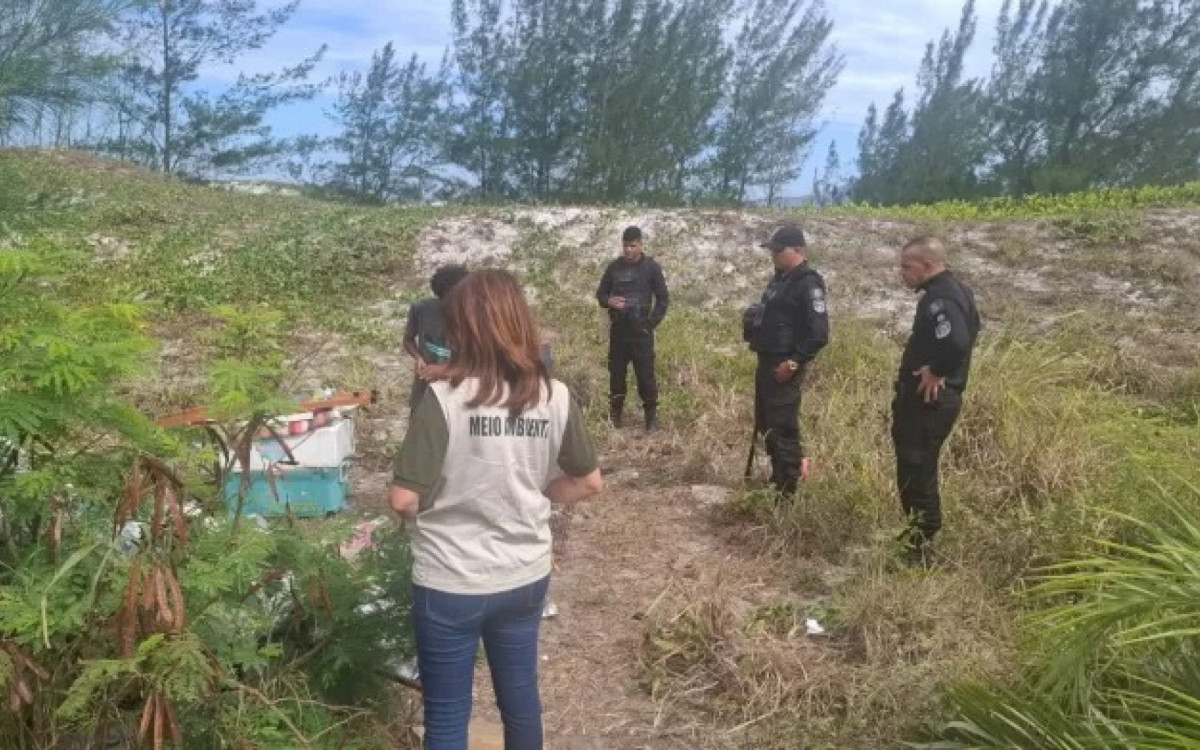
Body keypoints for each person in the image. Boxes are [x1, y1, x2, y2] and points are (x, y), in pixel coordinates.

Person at [389, 270, 604, 750]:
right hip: (525, 576)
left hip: (450, 579)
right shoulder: (555, 395)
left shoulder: (442, 401)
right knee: (521, 699)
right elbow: (588, 483)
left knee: (447, 716)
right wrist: (537, 489)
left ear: (463, 328)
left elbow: (404, 499)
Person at [892, 236, 981, 567]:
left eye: (907, 266)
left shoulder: (939, 298)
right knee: (916, 465)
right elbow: (972, 330)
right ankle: (918, 537)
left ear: (927, 265)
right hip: (932, 400)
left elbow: (957, 340)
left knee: (917, 468)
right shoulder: (957, 291)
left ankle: (922, 545)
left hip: (929, 402)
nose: (902, 273)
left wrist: (938, 370)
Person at [743, 225, 830, 497]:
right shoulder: (780, 279)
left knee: (783, 427)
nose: (774, 255)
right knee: (767, 423)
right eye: (773, 250)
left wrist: (794, 363)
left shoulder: (808, 283)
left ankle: (788, 489)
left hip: (784, 366)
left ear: (798, 251)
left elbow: (819, 333)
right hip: (767, 360)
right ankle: (778, 478)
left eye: (779, 251)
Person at [595, 226, 670, 430]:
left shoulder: (651, 268)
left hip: (641, 332)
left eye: (632, 246)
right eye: (625, 245)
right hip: (619, 331)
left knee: (646, 376)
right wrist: (609, 301)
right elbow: (600, 294)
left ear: (640, 244)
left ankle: (651, 419)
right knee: (616, 375)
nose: (628, 250)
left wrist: (651, 323)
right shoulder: (614, 268)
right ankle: (615, 417)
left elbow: (663, 299)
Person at [404, 264, 470, 414]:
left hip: (458, 389)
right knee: (421, 422)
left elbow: (481, 365)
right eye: (448, 299)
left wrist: (446, 370)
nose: (453, 304)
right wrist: (418, 358)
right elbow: (408, 340)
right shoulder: (421, 309)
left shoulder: (475, 317)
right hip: (426, 385)